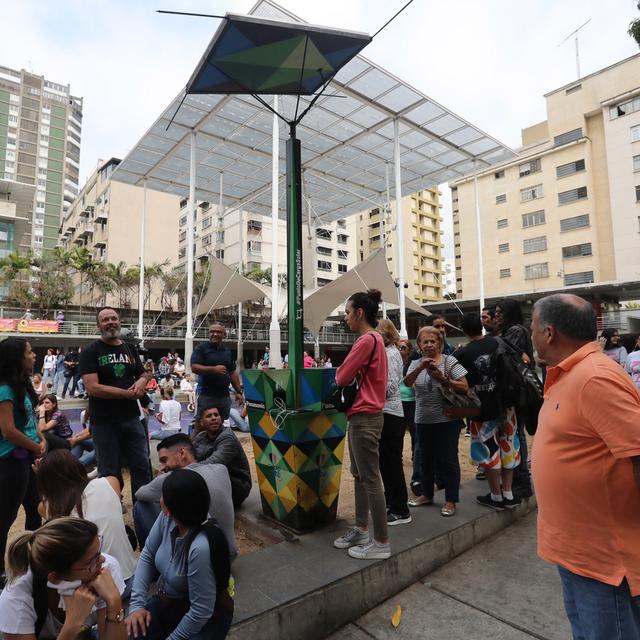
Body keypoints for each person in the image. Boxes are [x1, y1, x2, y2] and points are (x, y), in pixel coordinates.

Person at [530, 293, 640, 639]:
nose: (530, 334)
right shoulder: (568, 374)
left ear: (549, 333)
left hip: (604, 563)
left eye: (532, 327)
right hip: (577, 553)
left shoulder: (595, 378)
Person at [127, 469, 233, 640]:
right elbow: (148, 553)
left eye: (163, 496)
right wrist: (136, 606)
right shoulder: (168, 518)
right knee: (133, 631)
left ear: (172, 507)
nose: (159, 500)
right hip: (169, 603)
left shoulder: (200, 547)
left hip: (205, 620)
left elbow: (201, 611)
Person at [0, 517, 127, 640]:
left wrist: (114, 602)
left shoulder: (106, 569)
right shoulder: (17, 600)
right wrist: (72, 625)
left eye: (99, 551)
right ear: (55, 577)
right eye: (92, 560)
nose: (102, 560)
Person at [333, 289, 390, 560]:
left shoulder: (366, 341)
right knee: (361, 476)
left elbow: (342, 377)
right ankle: (361, 528)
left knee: (369, 478)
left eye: (346, 313)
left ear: (359, 313)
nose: (345, 318)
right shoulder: (377, 340)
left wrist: (340, 371)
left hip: (364, 417)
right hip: (367, 415)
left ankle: (380, 542)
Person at [79, 306, 152, 499]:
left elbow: (143, 373)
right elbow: (92, 387)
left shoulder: (129, 348)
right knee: (109, 470)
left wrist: (142, 382)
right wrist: (125, 394)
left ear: (119, 321)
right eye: (105, 320)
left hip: (131, 418)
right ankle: (113, 507)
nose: (111, 322)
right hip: (104, 422)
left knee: (142, 465)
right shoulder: (90, 351)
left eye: (114, 318)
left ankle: (143, 508)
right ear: (98, 325)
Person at [35, 449, 137, 586]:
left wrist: (42, 478)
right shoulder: (110, 482)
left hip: (94, 591)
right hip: (130, 577)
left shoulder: (49, 508)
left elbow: (46, 502)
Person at [455, 313, 521, 510]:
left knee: (488, 452)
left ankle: (496, 496)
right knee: (509, 447)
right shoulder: (498, 342)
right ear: (482, 326)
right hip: (507, 405)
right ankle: (508, 494)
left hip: (482, 410)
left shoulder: (461, 354)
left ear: (464, 330)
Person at [134, 433, 237, 557]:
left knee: (140, 506)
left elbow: (139, 494)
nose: (162, 467)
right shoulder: (221, 469)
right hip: (229, 555)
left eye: (164, 460)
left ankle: (151, 559)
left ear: (182, 453)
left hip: (198, 560)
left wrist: (161, 479)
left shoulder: (170, 478)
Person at [404, 326, 468, 517]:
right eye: (426, 341)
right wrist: (421, 367)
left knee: (448, 459)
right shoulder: (415, 363)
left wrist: (444, 379)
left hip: (447, 419)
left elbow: (464, 386)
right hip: (423, 420)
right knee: (425, 459)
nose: (430, 344)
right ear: (419, 345)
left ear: (440, 344)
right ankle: (426, 494)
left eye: (434, 341)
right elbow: (407, 382)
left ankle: (450, 500)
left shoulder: (450, 361)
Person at [0, 337, 45, 586]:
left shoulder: (22, 385)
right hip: (11, 462)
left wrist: (40, 438)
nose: (34, 355)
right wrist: (35, 446)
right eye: (29, 352)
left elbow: (27, 422)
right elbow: (8, 430)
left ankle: (33, 559)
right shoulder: (4, 389)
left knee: (36, 509)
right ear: (17, 357)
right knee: (5, 518)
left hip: (27, 457)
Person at [495, 297, 534, 499]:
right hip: (513, 390)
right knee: (513, 435)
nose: (496, 315)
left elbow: (508, 357)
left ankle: (522, 482)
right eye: (496, 311)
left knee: (516, 435)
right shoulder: (510, 330)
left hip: (516, 391)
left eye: (500, 311)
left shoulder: (516, 331)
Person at [376, 319, 410, 526]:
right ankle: (393, 505)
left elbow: (389, 387)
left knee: (391, 463)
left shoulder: (389, 354)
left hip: (390, 413)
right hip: (390, 412)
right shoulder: (390, 353)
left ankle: (400, 509)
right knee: (386, 463)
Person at [192, 406, 251, 508]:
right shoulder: (201, 437)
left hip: (237, 487)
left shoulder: (227, 437)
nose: (214, 418)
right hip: (218, 481)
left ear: (221, 419)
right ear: (201, 422)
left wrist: (185, 470)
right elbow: (188, 456)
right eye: (209, 416)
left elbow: (213, 463)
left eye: (216, 415)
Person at [190, 322, 243, 421]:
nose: (215, 334)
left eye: (218, 332)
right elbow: (194, 368)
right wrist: (214, 369)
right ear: (208, 333)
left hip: (224, 396)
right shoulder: (201, 349)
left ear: (224, 335)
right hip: (207, 395)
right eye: (212, 331)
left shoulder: (227, 352)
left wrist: (239, 392)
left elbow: (232, 373)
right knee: (200, 425)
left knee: (220, 424)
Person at [398, 338, 421, 498]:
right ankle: (398, 455)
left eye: (404, 347)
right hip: (399, 401)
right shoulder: (394, 362)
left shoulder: (412, 364)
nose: (401, 350)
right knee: (398, 431)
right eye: (399, 347)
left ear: (409, 349)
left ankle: (415, 455)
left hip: (411, 401)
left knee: (414, 432)